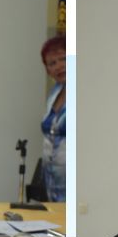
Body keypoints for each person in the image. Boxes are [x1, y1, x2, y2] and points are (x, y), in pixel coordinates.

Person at [40, 36, 67, 203]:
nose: (59, 66)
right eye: (52, 63)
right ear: (48, 71)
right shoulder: (54, 92)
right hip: (52, 177)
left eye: (63, 58)